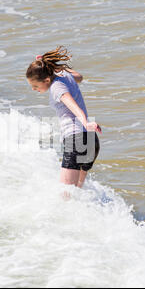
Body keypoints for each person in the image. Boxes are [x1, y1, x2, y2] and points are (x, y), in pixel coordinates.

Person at [26, 46, 102, 190]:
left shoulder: (56, 87)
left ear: (47, 80)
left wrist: (85, 122)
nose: (34, 89)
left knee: (66, 197)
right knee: (78, 195)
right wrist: (55, 68)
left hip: (76, 140)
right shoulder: (64, 76)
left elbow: (73, 106)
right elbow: (79, 76)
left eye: (35, 85)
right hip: (91, 140)